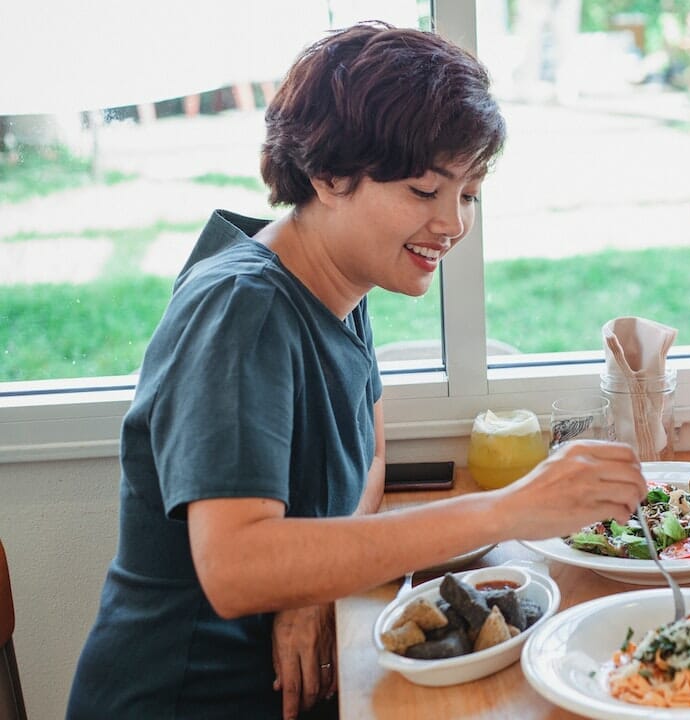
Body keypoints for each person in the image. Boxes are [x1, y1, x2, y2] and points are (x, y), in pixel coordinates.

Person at [66, 22, 647, 719]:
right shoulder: (241, 309)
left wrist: (308, 587)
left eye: (468, 194)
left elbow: (368, 457)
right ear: (328, 174)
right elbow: (235, 568)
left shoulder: (337, 283)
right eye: (425, 190)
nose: (454, 224)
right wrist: (509, 508)